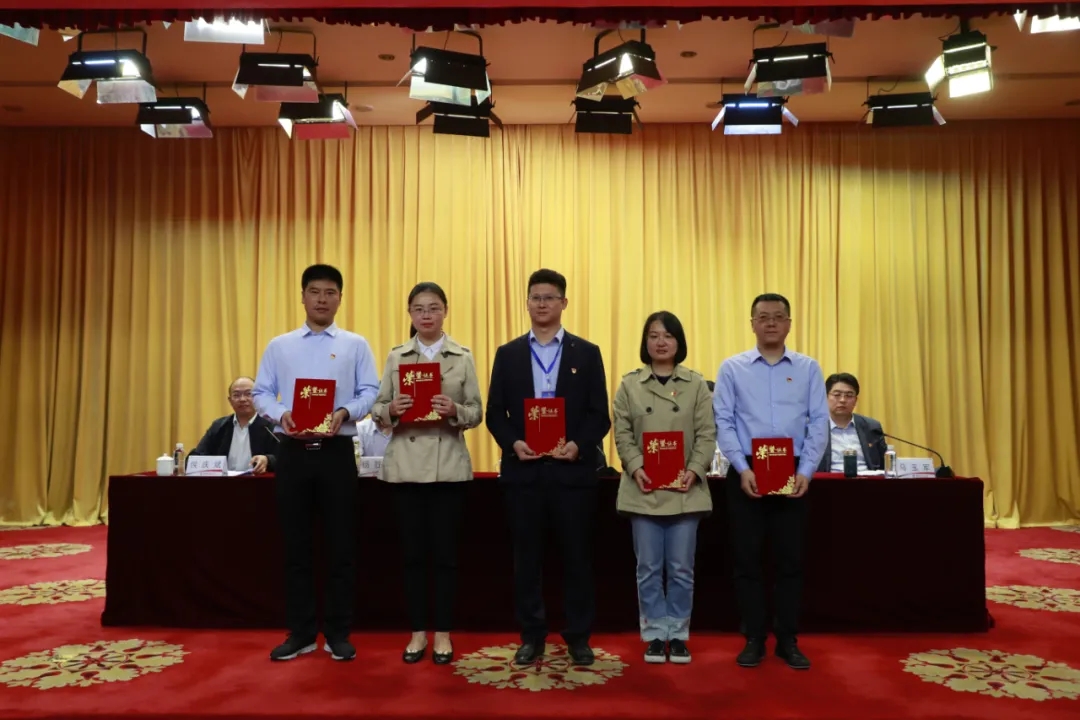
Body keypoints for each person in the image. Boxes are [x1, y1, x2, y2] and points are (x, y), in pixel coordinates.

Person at [253, 263, 380, 662]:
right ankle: (302, 632)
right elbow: (260, 393)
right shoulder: (280, 346)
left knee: (342, 545)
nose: (322, 299)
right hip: (292, 454)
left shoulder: (355, 345)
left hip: (336, 453)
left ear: (340, 298)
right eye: (315, 292)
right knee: (296, 546)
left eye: (330, 292)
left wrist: (345, 411)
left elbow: (370, 390)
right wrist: (281, 414)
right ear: (303, 297)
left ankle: (338, 632)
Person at [485, 268, 611, 667]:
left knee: (577, 559)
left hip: (572, 474)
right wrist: (513, 443)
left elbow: (599, 414)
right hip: (524, 474)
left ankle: (578, 636)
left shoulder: (586, 353)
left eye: (549, 297)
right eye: (535, 297)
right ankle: (532, 635)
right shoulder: (508, 354)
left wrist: (578, 445)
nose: (542, 304)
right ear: (527, 303)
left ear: (564, 303)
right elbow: (495, 413)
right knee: (527, 561)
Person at [713, 292, 828, 671]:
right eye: (763, 317)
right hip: (747, 469)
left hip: (793, 470)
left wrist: (806, 471)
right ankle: (754, 637)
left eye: (779, 316)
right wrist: (741, 466)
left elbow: (818, 422)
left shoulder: (808, 368)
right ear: (752, 324)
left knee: (790, 560)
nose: (771, 323)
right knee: (746, 560)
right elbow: (723, 420)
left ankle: (788, 639)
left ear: (789, 323)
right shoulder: (733, 368)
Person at [371, 282, 482, 666]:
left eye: (434, 308)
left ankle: (444, 633)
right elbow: (378, 407)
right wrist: (392, 410)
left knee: (446, 556)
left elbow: (476, 411)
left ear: (445, 311)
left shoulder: (462, 356)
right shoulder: (397, 356)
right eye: (419, 309)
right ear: (410, 314)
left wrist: (455, 410)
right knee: (413, 556)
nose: (426, 315)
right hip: (405, 467)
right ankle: (418, 631)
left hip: (447, 466)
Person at [612, 311, 715, 665]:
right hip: (643, 489)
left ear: (678, 342)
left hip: (685, 489)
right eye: (654, 335)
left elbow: (707, 433)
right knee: (649, 569)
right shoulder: (630, 384)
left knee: (682, 568)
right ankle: (656, 633)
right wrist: (636, 465)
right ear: (645, 342)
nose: (660, 342)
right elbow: (622, 432)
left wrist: (695, 469)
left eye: (668, 336)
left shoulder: (696, 384)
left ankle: (679, 634)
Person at [189, 376, 277, 474]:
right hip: (225, 482)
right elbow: (200, 454)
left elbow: (285, 458)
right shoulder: (219, 426)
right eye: (236, 395)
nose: (242, 399)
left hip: (258, 482)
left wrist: (268, 460)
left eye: (248, 394)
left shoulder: (271, 426)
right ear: (230, 401)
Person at [817, 372, 888, 473]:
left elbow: (884, 466)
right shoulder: (812, 428)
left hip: (867, 480)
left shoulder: (871, 427)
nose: (842, 400)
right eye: (837, 395)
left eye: (849, 395)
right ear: (825, 397)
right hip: (829, 481)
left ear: (855, 400)